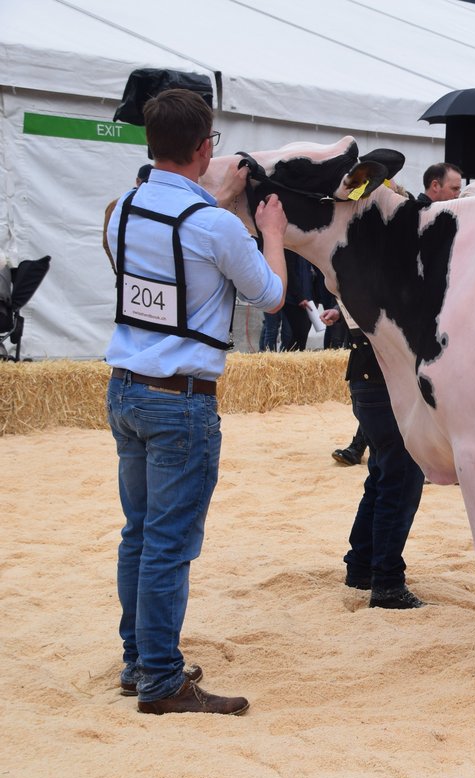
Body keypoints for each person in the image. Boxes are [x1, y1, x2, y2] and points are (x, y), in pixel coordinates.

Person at [105, 88, 287, 715]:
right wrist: (270, 233)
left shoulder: (122, 209)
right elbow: (270, 296)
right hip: (180, 400)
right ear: (205, 148)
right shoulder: (216, 226)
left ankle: (138, 661)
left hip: (125, 387)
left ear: (149, 142)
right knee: (169, 545)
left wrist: (215, 199)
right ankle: (161, 680)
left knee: (139, 534)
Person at [326, 161, 463, 607]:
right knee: (401, 475)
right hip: (383, 375)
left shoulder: (358, 260)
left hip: (368, 376)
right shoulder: (378, 266)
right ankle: (386, 581)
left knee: (384, 473)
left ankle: (360, 566)